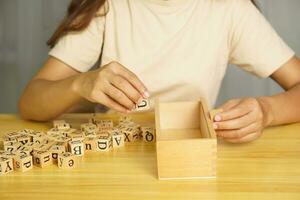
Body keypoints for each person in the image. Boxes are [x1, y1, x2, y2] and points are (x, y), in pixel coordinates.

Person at [19, 0, 300, 143]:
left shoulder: (229, 8)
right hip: (116, 159)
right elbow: (30, 103)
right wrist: (80, 84)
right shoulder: (108, 6)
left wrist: (267, 111)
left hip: (191, 156)